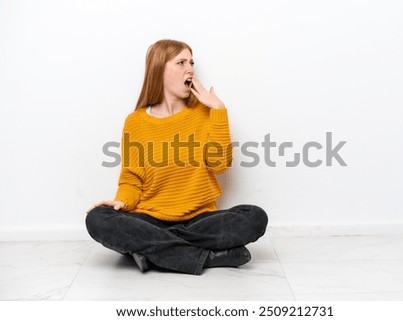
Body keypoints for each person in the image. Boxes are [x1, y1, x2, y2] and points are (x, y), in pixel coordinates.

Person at [85, 39, 268, 275]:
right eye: (180, 62)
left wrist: (219, 110)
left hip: (200, 219)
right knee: (98, 218)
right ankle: (207, 256)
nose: (190, 68)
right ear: (159, 69)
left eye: (191, 62)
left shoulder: (204, 113)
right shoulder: (136, 122)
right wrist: (122, 201)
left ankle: (150, 252)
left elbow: (220, 165)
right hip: (149, 218)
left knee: (254, 217)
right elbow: (132, 178)